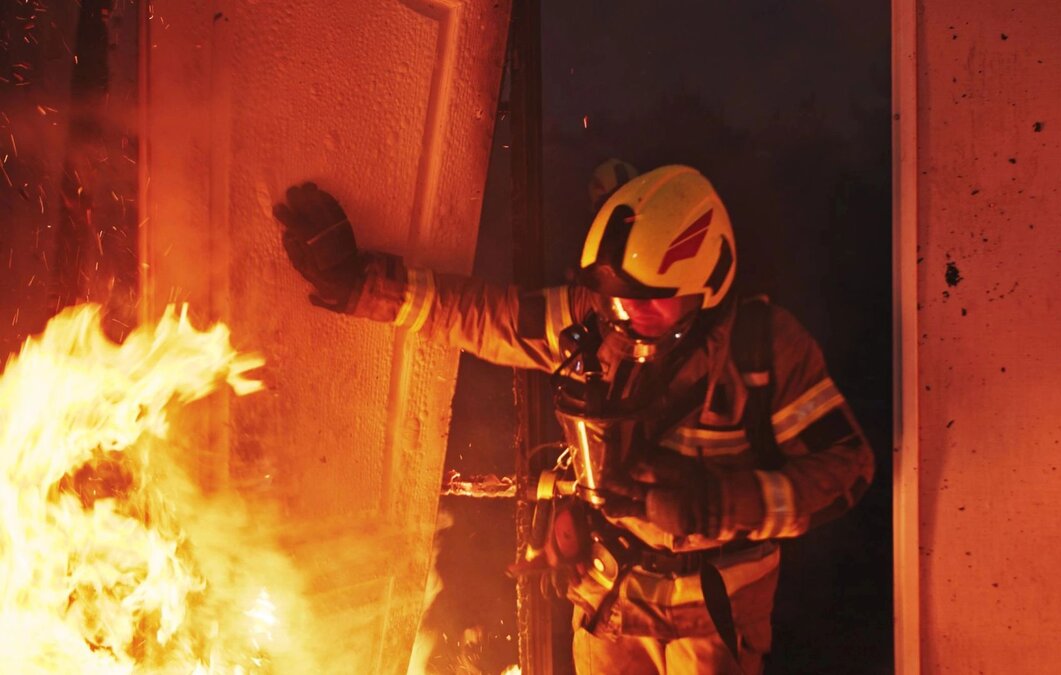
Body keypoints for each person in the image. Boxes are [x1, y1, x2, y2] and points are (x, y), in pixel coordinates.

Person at [273, 165, 874, 674]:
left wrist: (719, 503)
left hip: (716, 619)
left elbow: (849, 470)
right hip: (607, 603)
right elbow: (488, 316)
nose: (629, 314)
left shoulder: (766, 350)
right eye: (617, 296)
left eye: (653, 297)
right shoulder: (595, 323)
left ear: (709, 280)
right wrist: (358, 284)